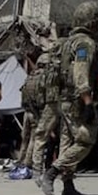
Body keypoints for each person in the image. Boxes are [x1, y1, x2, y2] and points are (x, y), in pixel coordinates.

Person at [40, 1, 98, 195]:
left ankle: (68, 187)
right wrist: (88, 102)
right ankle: (51, 173)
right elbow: (80, 72)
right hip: (77, 100)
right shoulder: (85, 44)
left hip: (64, 100)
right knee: (87, 139)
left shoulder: (67, 42)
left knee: (67, 142)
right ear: (91, 22)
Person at [29, 50, 61, 178]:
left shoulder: (33, 78)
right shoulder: (47, 78)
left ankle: (38, 168)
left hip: (40, 112)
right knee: (52, 141)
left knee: (39, 140)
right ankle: (48, 167)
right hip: (49, 111)